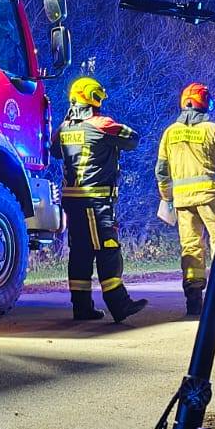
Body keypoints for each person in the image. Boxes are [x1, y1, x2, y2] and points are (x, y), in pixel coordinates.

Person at [53, 76, 147, 324]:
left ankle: (81, 307)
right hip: (95, 201)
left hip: (72, 201)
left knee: (80, 252)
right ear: (93, 98)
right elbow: (132, 138)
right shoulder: (102, 124)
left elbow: (53, 150)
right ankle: (119, 304)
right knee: (107, 249)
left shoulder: (63, 128)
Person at [155, 84, 215, 317]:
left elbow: (161, 170)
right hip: (211, 196)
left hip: (182, 201)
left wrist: (166, 197)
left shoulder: (170, 132)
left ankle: (193, 302)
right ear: (206, 103)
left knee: (191, 248)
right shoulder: (212, 129)